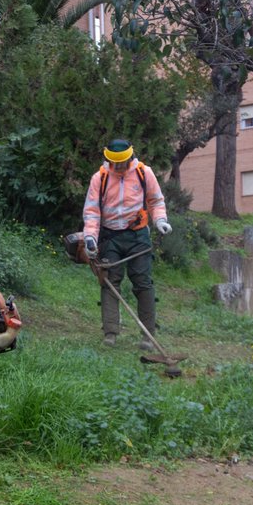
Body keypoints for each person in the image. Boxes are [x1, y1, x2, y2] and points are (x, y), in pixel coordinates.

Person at [81, 139, 172, 348]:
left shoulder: (143, 173)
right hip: (110, 237)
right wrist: (90, 238)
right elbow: (92, 211)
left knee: (142, 282)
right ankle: (110, 333)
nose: (119, 167)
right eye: (115, 163)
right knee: (110, 282)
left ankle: (148, 336)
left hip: (138, 235)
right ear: (109, 160)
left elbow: (156, 201)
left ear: (130, 157)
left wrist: (160, 221)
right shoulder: (100, 178)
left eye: (122, 162)